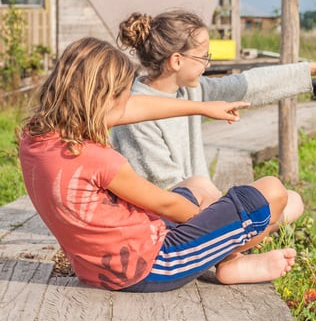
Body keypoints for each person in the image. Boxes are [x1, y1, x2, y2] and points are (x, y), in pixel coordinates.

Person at [19, 37, 298, 292]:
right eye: (124, 97)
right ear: (101, 102)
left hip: (98, 267)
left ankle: (229, 258)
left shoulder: (37, 138)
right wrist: (210, 220)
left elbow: (135, 108)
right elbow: (167, 206)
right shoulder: (96, 159)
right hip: (155, 266)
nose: (128, 105)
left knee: (197, 184)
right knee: (273, 193)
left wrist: (202, 108)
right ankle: (227, 261)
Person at [112, 10, 316, 225]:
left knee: (292, 201)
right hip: (167, 221)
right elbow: (165, 194)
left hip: (203, 205)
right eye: (203, 57)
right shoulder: (135, 113)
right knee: (264, 204)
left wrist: (313, 69)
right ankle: (230, 246)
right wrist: (223, 217)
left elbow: (248, 84)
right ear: (176, 60)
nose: (208, 65)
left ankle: (233, 241)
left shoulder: (191, 90)